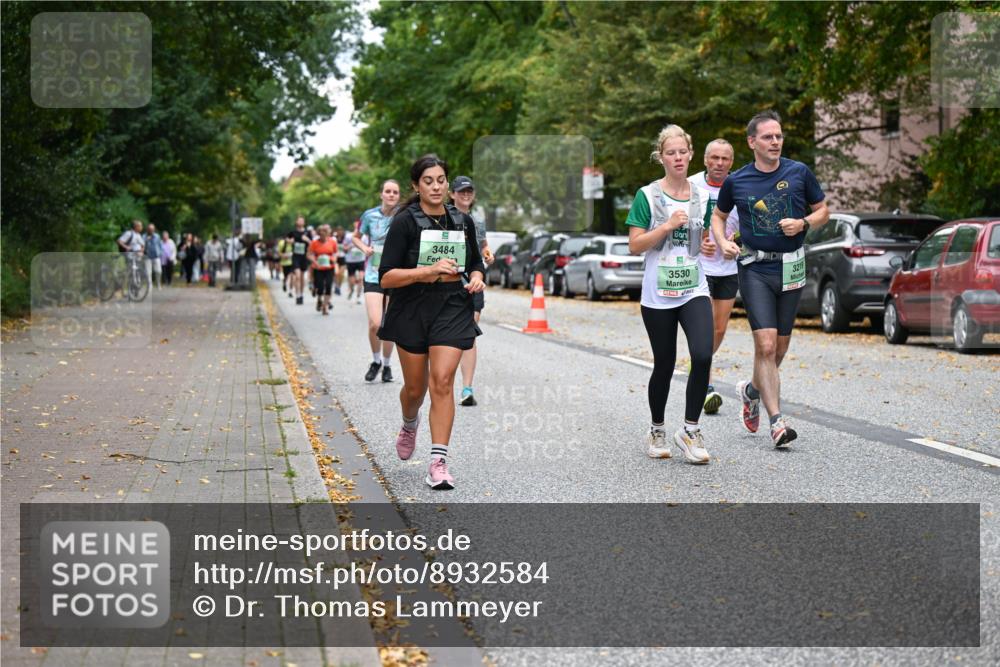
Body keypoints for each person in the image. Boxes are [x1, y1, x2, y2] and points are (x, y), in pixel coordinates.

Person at [714, 110, 830, 448]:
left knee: (778, 350)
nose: (775, 141)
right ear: (752, 142)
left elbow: (823, 209)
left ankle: (751, 391)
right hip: (755, 268)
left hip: (791, 267)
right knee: (764, 345)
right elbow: (719, 218)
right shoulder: (737, 181)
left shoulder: (798, 172)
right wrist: (723, 243)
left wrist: (804, 223)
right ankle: (777, 423)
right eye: (768, 137)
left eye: (778, 136)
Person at [377, 154, 486, 490]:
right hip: (411, 307)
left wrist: (477, 278)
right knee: (415, 389)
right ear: (416, 185)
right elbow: (386, 278)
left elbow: (476, 262)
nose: (436, 186)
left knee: (441, 381)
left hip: (452, 305)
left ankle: (438, 462)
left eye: (441, 180)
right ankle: (410, 423)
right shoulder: (405, 222)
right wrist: (427, 271)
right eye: (428, 181)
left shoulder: (461, 220)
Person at [626, 124, 714, 465]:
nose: (678, 158)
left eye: (682, 152)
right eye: (670, 153)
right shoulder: (647, 196)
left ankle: (690, 430)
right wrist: (665, 226)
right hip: (658, 293)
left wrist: (705, 243)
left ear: (691, 154)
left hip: (693, 287)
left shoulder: (702, 196)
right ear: (661, 157)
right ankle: (657, 429)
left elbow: (698, 242)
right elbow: (635, 244)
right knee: (664, 363)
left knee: (703, 354)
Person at [688, 139, 741, 414]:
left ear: (731, 162)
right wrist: (699, 243)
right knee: (706, 326)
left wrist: (737, 242)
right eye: (715, 158)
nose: (719, 163)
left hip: (728, 267)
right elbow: (680, 225)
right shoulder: (692, 185)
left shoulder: (740, 185)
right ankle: (706, 385)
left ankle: (699, 360)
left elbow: (749, 227)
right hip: (700, 267)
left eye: (725, 159)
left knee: (719, 330)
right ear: (706, 160)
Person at [450, 176, 493, 407]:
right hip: (449, 282)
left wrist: (487, 253)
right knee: (454, 334)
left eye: (469, 191)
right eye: (461, 191)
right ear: (452, 194)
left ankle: (467, 388)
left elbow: (483, 244)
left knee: (469, 331)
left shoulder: (477, 221)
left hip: (474, 281)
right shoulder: (443, 218)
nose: (466, 195)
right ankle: (444, 378)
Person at [353, 180, 401, 382]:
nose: (391, 195)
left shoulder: (403, 216)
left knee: (388, 323)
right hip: (373, 274)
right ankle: (376, 361)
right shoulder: (369, 215)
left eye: (395, 192)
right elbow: (356, 236)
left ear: (398, 196)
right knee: (375, 323)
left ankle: (388, 364)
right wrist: (364, 248)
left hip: (396, 275)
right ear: (381, 194)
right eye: (387, 191)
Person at [308, 224, 338, 315]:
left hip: (329, 267)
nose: (322, 234)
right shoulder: (314, 243)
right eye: (320, 233)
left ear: (327, 233)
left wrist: (333, 259)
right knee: (320, 286)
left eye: (324, 232)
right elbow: (309, 254)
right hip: (318, 268)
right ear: (318, 233)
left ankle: (325, 306)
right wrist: (314, 261)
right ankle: (319, 299)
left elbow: (336, 253)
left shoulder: (332, 242)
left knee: (328, 285)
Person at [289, 217, 310, 305]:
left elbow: (313, 243)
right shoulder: (293, 232)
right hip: (296, 256)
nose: (300, 222)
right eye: (299, 220)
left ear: (304, 222)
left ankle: (301, 294)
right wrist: (290, 241)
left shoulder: (307, 233)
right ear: (296, 222)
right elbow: (287, 240)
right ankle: (297, 295)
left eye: (302, 220)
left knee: (302, 277)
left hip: (304, 256)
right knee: (297, 276)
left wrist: (307, 240)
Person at [344, 219, 365, 303]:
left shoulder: (365, 236)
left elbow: (367, 246)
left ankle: (359, 295)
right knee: (352, 280)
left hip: (361, 260)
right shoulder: (348, 236)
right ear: (354, 224)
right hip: (351, 261)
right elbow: (344, 248)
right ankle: (352, 290)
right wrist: (351, 246)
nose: (357, 225)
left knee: (361, 278)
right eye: (356, 224)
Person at [143, 223, 163, 290]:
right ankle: (150, 285)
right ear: (147, 230)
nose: (151, 230)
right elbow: (142, 245)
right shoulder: (144, 236)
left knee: (158, 271)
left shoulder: (157, 236)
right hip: (147, 256)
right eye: (149, 229)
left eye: (152, 229)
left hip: (156, 256)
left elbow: (160, 245)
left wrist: (160, 252)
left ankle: (158, 283)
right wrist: (147, 240)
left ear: (154, 230)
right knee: (148, 272)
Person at [333, 226, 347, 296]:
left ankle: (339, 286)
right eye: (338, 231)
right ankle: (336, 286)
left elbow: (347, 247)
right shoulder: (334, 238)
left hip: (343, 258)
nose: (340, 232)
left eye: (341, 231)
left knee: (341, 274)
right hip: (336, 258)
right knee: (336, 273)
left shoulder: (345, 238)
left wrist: (346, 248)